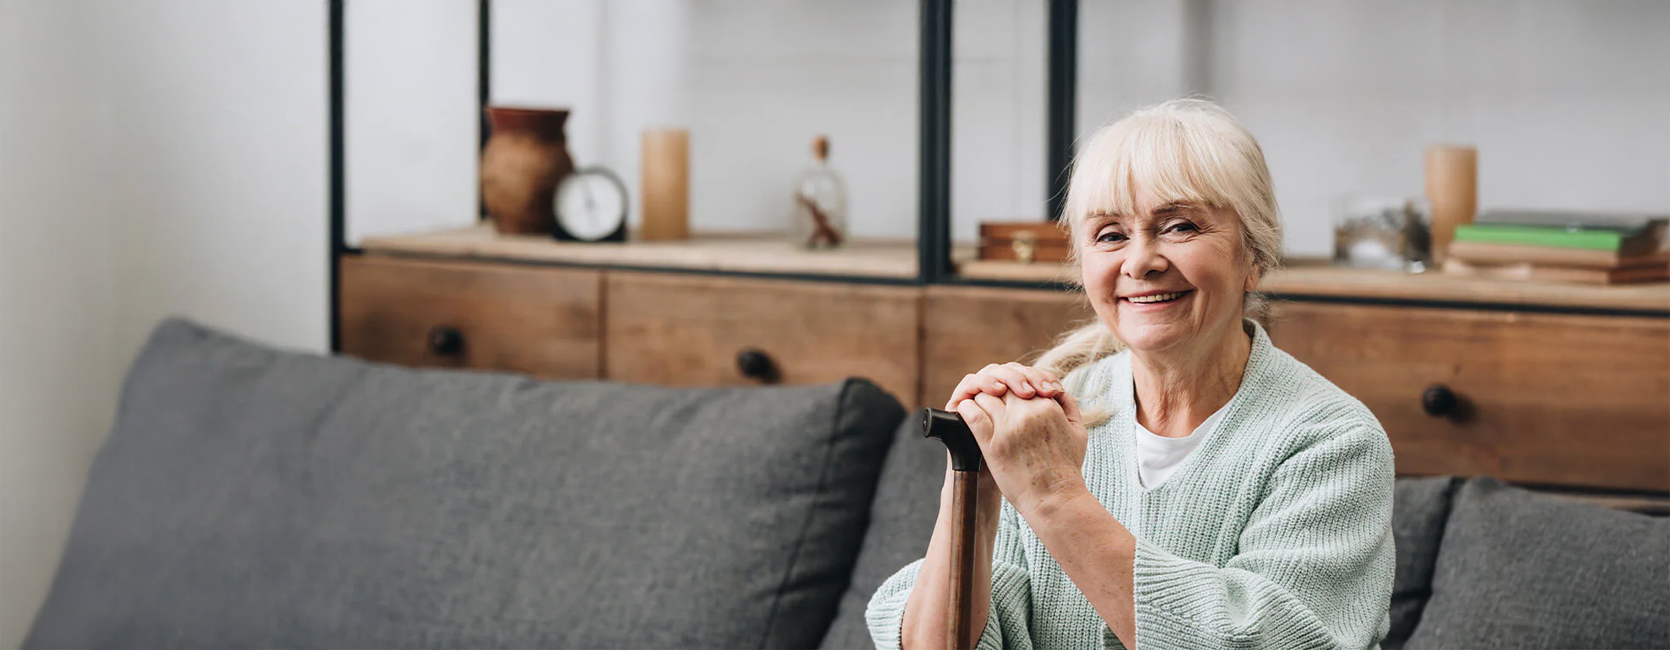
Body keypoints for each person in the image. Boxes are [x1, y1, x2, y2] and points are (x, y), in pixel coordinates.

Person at [865, 98, 1395, 650]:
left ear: (1254, 255)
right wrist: (973, 485)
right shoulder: (1047, 422)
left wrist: (1053, 497)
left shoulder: (1334, 440)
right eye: (1111, 235)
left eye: (1180, 226)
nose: (1139, 261)